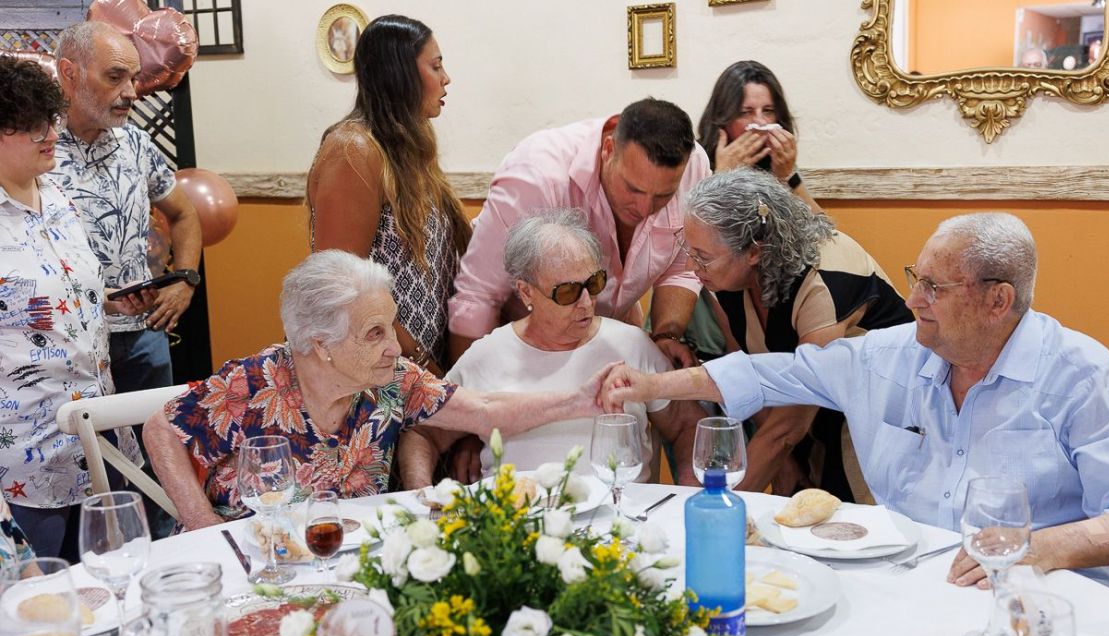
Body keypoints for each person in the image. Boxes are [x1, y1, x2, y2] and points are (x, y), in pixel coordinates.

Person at [601, 212, 1109, 590]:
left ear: (997, 301)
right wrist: (651, 386)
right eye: (915, 278)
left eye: (934, 287)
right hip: (911, 587)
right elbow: (773, 374)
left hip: (1040, 600)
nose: (912, 299)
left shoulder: (1080, 375)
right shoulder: (892, 354)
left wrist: (1042, 547)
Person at [143, 251, 612, 531]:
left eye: (391, 327)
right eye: (374, 334)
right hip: (254, 563)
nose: (395, 348)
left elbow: (486, 409)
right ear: (321, 346)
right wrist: (204, 529)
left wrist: (579, 399)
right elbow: (161, 429)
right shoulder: (254, 384)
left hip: (345, 561)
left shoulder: (392, 384)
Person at [400, 209, 706, 485]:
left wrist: (688, 502)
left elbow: (686, 425)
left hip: (617, 522)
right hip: (517, 525)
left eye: (595, 284)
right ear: (526, 292)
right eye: (568, 292)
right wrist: (422, 500)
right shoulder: (487, 356)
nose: (586, 304)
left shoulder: (631, 345)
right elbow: (424, 432)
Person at [0, 55, 154, 559]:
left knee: (115, 579)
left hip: (98, 428)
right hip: (26, 449)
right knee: (42, 603)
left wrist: (108, 299)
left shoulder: (58, 196)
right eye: (31, 126)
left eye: (51, 119)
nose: (51, 133)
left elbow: (58, 293)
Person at [677, 169, 912, 496]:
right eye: (689, 251)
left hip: (880, 416)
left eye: (701, 257)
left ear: (755, 251)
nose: (692, 268)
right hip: (811, 413)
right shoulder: (722, 277)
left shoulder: (823, 280)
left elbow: (791, 421)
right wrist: (786, 466)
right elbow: (747, 374)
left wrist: (720, 509)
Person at [448, 98, 709, 369]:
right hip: (523, 354)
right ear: (609, 149)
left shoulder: (693, 165)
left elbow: (681, 266)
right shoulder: (536, 175)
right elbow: (478, 297)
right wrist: (469, 393)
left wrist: (666, 334)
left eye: (663, 196)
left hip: (611, 344)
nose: (645, 208)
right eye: (633, 189)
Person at [309, 14, 471, 376]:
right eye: (435, 65)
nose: (446, 78)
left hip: (414, 372)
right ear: (399, 74)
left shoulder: (411, 151)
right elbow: (342, 285)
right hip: (372, 372)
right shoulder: (353, 149)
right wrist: (419, 366)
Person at [52, 22, 203, 390]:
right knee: (88, 447)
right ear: (69, 73)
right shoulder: (36, 149)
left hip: (144, 336)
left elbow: (184, 214)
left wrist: (186, 279)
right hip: (70, 339)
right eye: (116, 77)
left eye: (133, 79)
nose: (131, 92)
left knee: (155, 443)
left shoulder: (135, 143)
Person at [697, 61, 822, 213]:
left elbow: (824, 229)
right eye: (745, 112)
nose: (761, 122)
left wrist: (788, 175)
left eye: (768, 111)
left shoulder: (775, 160)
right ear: (723, 117)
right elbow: (692, 231)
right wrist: (721, 177)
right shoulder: (697, 160)